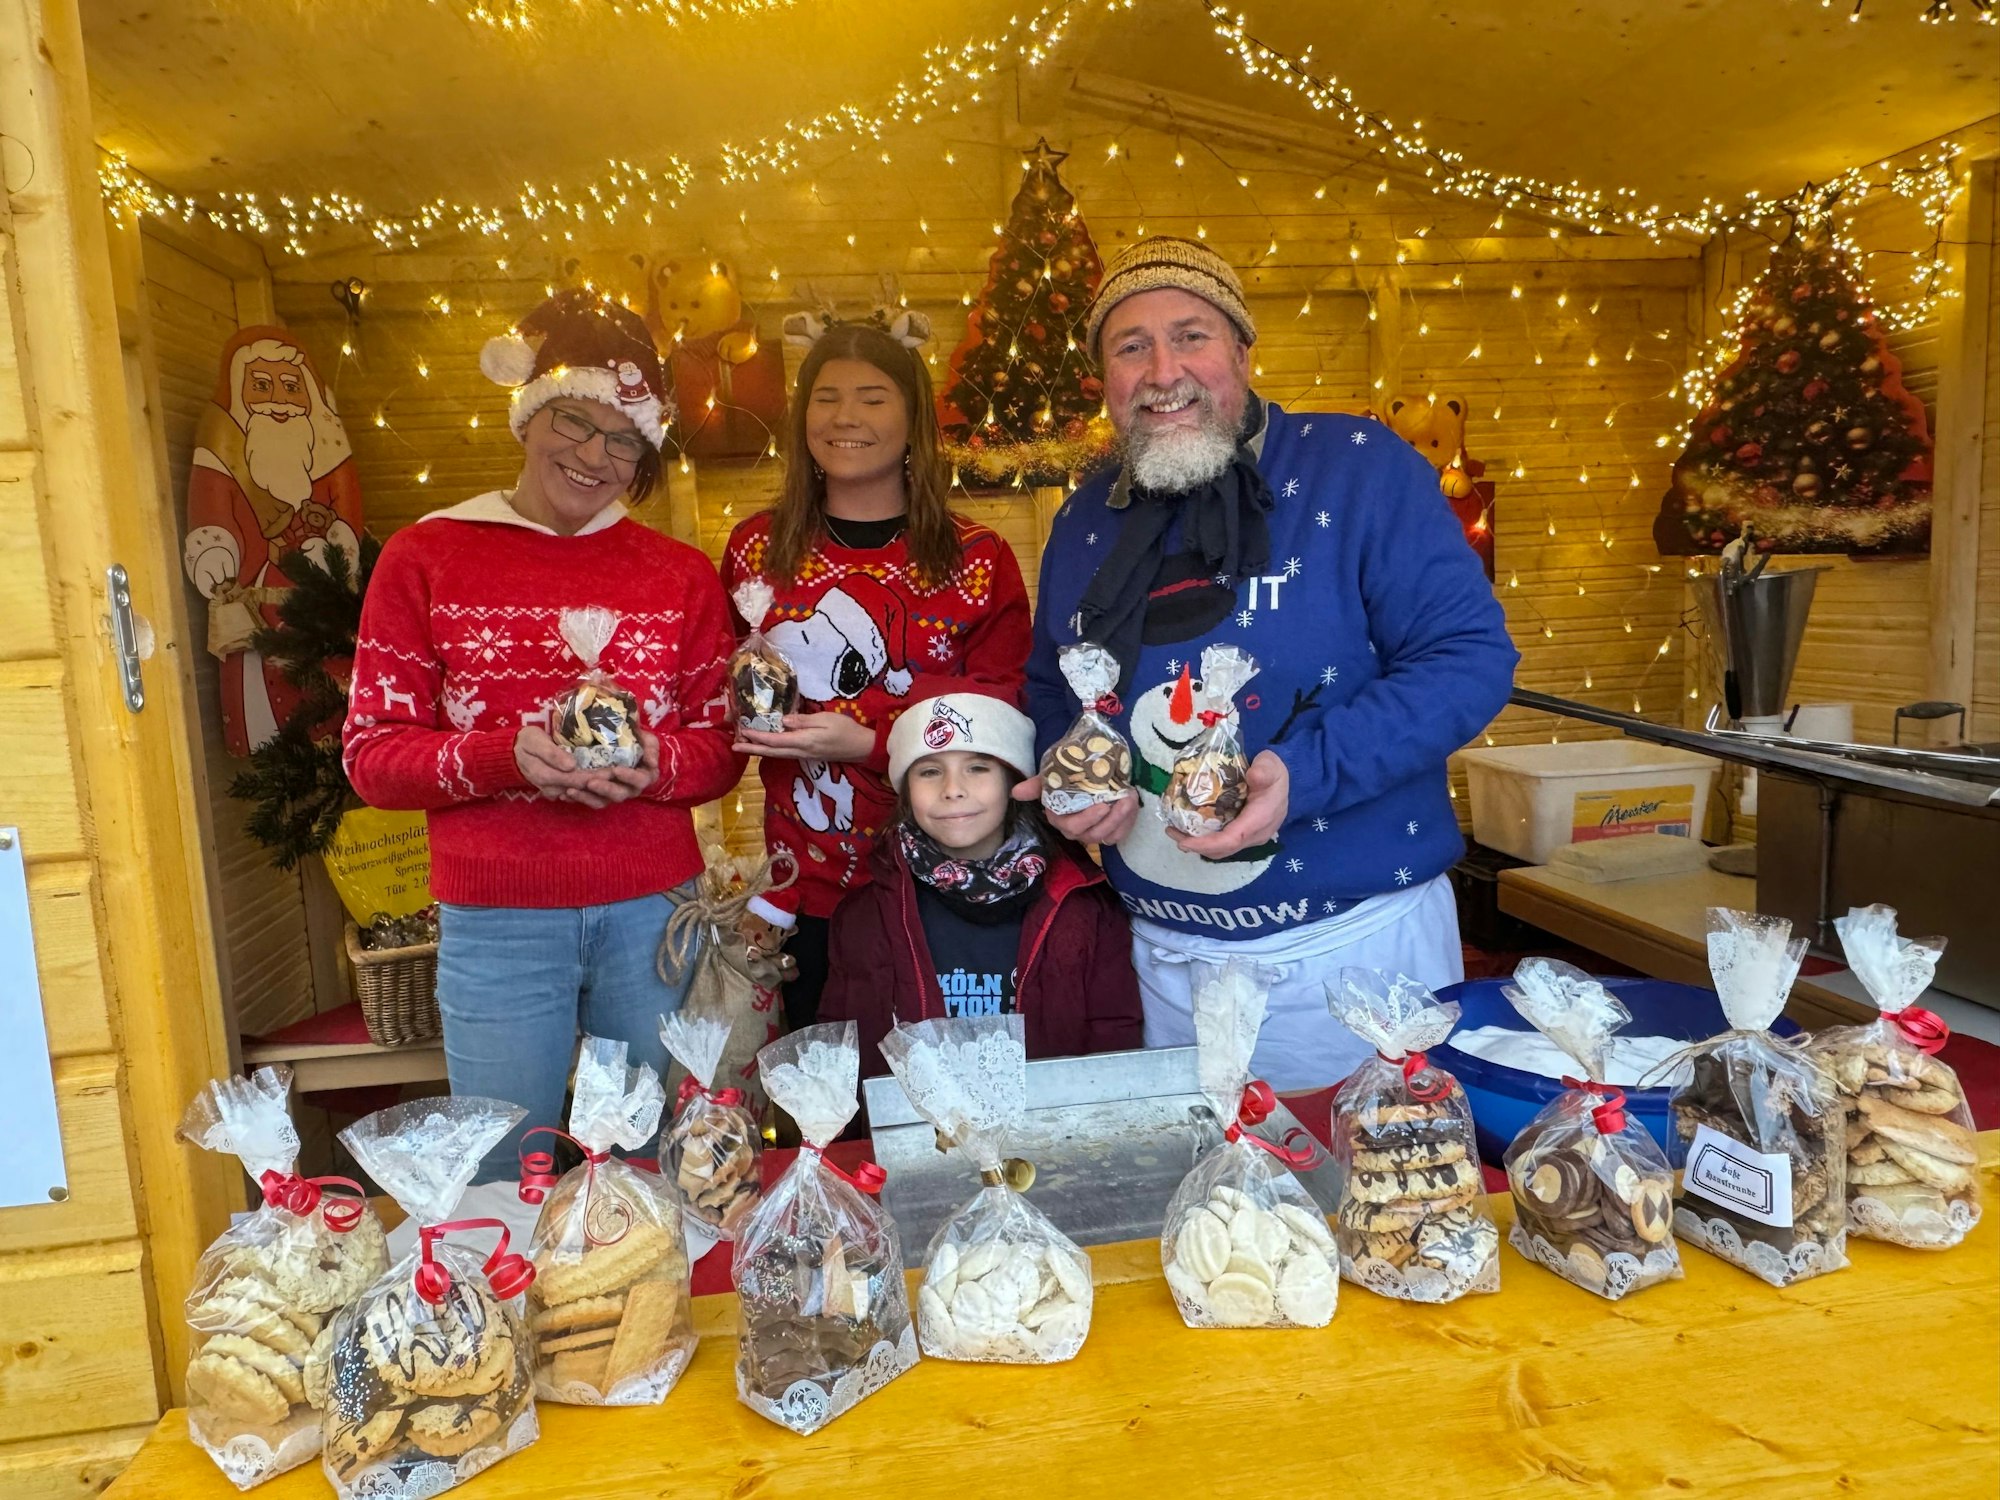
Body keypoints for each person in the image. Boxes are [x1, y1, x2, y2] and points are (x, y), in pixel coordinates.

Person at [1022, 237, 1519, 1091]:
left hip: (1353, 963)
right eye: (1130, 346)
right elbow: (1051, 687)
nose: (1162, 369)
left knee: (1375, 1207)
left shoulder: (1358, 470)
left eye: (1191, 337)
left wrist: (1308, 771)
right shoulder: (1083, 521)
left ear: (1244, 354)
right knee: (1204, 1217)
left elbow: (1469, 658)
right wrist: (1070, 782)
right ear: (1105, 380)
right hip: (1162, 967)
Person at [343, 289, 743, 1178]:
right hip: (496, 917)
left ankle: (651, 1315)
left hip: (653, 911)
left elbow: (720, 747)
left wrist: (653, 762)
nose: (594, 455)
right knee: (500, 1163)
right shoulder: (427, 555)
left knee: (652, 1161)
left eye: (623, 440)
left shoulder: (676, 573)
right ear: (529, 415)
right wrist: (500, 758)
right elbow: (372, 755)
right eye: (573, 421)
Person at [722, 318, 1033, 1032]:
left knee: (945, 1105)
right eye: (826, 398)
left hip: (945, 884)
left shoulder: (976, 558)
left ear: (913, 417)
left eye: (872, 397)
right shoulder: (755, 550)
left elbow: (1005, 711)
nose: (846, 418)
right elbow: (725, 687)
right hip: (806, 897)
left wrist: (868, 744)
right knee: (826, 1104)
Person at [820, 693, 1143, 1077]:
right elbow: (839, 1058)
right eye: (929, 771)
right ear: (905, 792)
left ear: (1014, 782)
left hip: (1050, 1132)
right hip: (917, 1133)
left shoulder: (1085, 907)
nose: (953, 789)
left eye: (977, 768)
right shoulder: (863, 918)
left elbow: (1114, 1042)